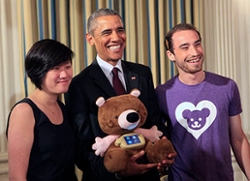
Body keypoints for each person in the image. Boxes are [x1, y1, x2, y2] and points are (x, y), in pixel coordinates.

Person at [65, 8, 176, 181]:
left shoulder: (142, 73)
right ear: (90, 39)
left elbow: (155, 123)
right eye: (107, 32)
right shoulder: (79, 85)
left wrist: (161, 151)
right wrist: (118, 170)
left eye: (120, 30)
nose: (116, 38)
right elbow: (81, 149)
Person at [155, 23, 250, 181]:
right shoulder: (162, 93)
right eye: (185, 47)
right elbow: (157, 138)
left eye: (197, 44)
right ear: (170, 55)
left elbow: (238, 139)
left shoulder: (227, 86)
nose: (195, 52)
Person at [6, 39, 78, 181]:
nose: (64, 74)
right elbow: (16, 177)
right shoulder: (24, 111)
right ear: (38, 71)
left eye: (67, 66)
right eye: (56, 68)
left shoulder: (62, 107)